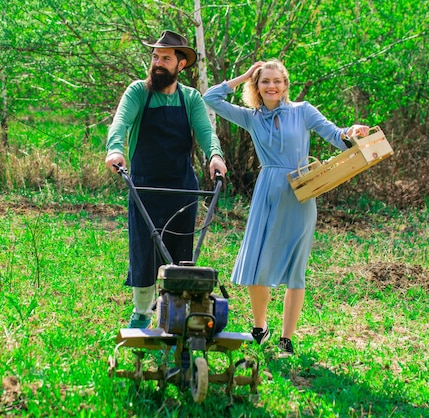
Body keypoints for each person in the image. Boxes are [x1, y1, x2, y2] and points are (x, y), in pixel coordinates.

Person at [203, 60, 369, 355]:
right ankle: (260, 326)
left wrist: (352, 132)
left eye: (277, 81)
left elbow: (335, 134)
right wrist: (244, 76)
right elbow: (210, 99)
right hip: (267, 191)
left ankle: (286, 339)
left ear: (285, 85)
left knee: (296, 267)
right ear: (257, 86)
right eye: (265, 81)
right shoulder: (252, 118)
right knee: (258, 264)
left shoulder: (302, 111)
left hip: (300, 191)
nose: (272, 87)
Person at [105, 30, 227, 329]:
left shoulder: (190, 99)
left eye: (166, 58)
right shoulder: (138, 92)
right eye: (155, 57)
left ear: (180, 65)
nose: (158, 63)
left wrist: (215, 155)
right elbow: (120, 122)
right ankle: (142, 312)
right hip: (145, 185)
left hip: (181, 188)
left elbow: (205, 132)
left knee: (180, 253)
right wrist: (115, 149)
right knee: (144, 252)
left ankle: (174, 311)